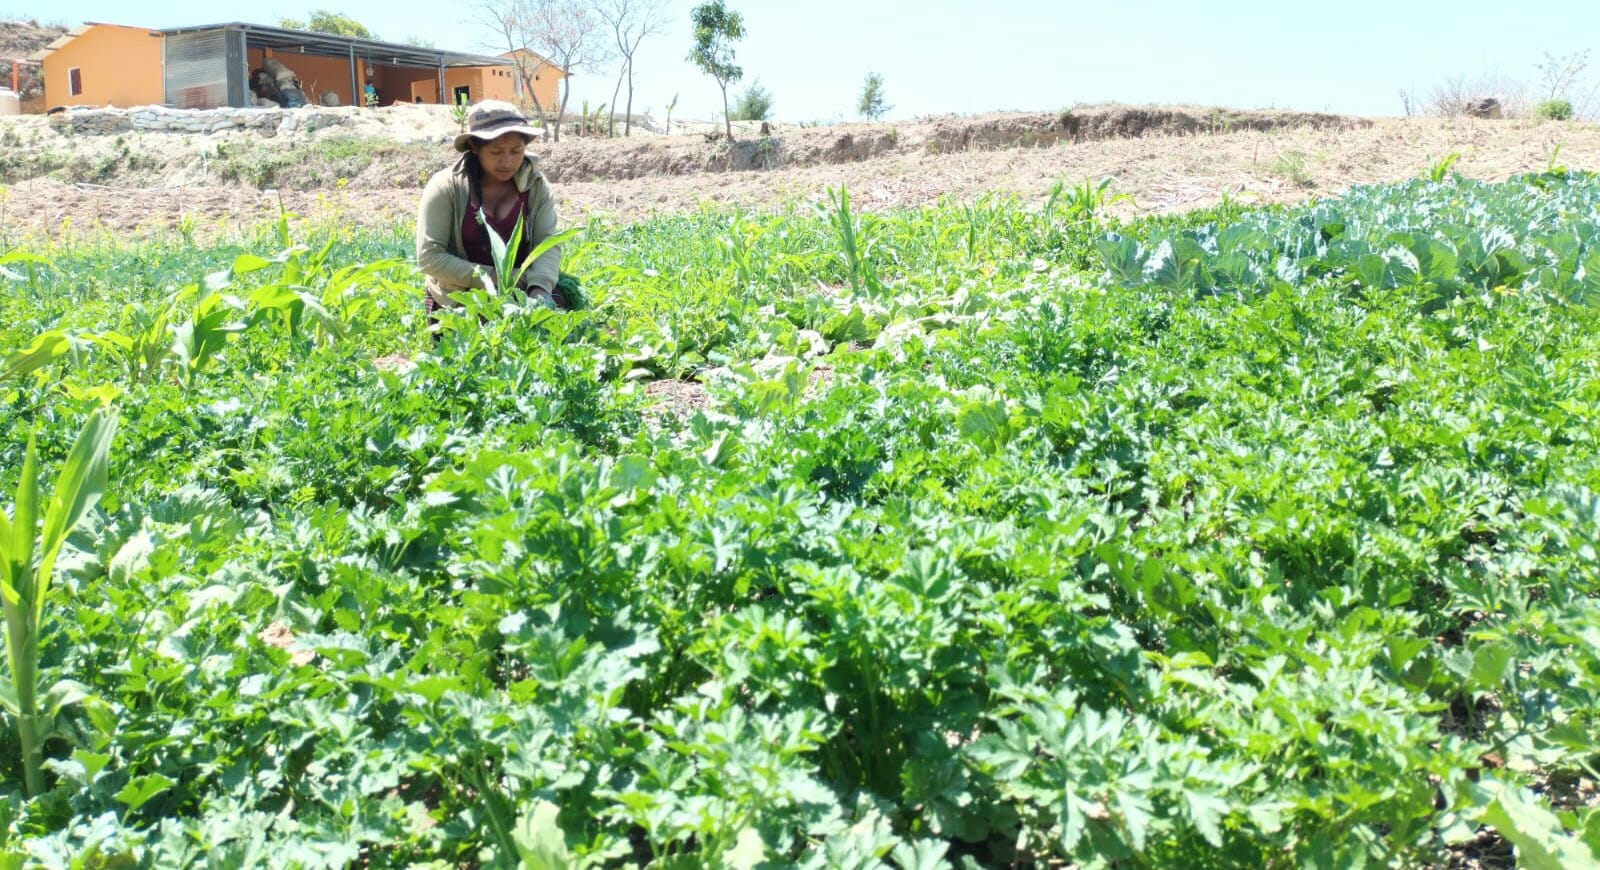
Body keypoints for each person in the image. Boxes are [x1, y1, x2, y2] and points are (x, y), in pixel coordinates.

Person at [415, 100, 566, 330]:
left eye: (516, 151)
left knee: (554, 324)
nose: (507, 162)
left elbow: (547, 244)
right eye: (496, 152)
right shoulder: (446, 187)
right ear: (475, 147)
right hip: (459, 295)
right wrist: (497, 278)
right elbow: (430, 257)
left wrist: (539, 289)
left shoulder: (535, 186)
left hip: (522, 290)